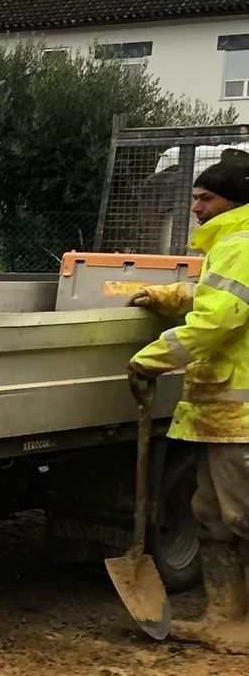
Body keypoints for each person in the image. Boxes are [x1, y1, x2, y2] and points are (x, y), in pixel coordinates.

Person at [128, 147, 249, 650]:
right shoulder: (230, 243)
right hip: (220, 413)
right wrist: (171, 295)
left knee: (243, 518)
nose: (196, 207)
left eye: (205, 198)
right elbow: (215, 295)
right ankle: (227, 617)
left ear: (234, 201)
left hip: (241, 415)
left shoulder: (242, 242)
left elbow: (221, 319)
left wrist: (153, 357)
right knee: (212, 515)